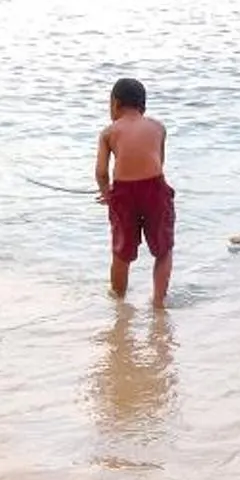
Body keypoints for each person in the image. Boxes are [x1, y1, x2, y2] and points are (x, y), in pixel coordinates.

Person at [95, 75, 174, 309]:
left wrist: (107, 193)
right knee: (163, 249)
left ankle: (119, 302)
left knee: (121, 251)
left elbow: (101, 172)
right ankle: (158, 303)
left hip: (123, 192)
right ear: (143, 106)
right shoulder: (158, 128)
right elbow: (159, 162)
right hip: (154, 189)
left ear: (115, 103)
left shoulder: (108, 133)